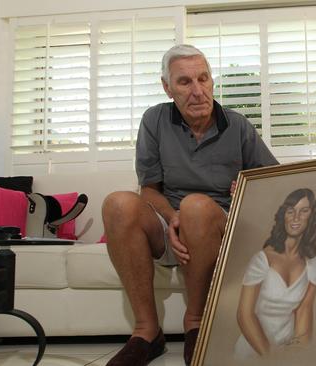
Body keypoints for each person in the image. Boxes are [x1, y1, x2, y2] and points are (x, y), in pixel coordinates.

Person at [101, 44, 278, 366]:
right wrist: (171, 218)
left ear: (212, 82)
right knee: (117, 203)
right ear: (167, 87)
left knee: (197, 206)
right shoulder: (154, 120)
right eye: (185, 82)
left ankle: (196, 323)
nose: (198, 91)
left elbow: (275, 182)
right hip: (168, 222)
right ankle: (146, 332)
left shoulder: (237, 125)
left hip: (216, 224)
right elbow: (149, 190)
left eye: (203, 79)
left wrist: (251, 189)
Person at [234, 188, 316, 358]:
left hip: (286, 348)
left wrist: (299, 354)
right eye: (291, 211)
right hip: (254, 349)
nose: (296, 217)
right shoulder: (262, 259)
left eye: (303, 211)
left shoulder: (313, 263)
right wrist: (269, 357)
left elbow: (304, 311)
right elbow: (244, 314)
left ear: (311, 216)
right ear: (284, 216)